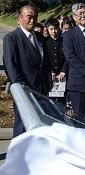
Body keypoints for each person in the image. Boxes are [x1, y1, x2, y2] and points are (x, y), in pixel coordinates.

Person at [3, 5, 49, 137]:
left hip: (42, 91)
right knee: (22, 127)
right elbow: (11, 67)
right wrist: (21, 90)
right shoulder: (11, 39)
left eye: (35, 17)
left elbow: (43, 64)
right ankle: (18, 155)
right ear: (19, 19)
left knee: (40, 127)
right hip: (24, 91)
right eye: (29, 17)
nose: (32, 20)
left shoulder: (39, 37)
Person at [45, 18, 68, 103]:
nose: (53, 31)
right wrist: (51, 71)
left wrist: (63, 71)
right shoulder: (45, 41)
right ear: (47, 29)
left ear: (59, 28)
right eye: (51, 29)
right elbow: (45, 59)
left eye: (55, 28)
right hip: (51, 74)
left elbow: (68, 58)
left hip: (63, 74)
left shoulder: (64, 40)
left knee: (62, 98)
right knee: (52, 98)